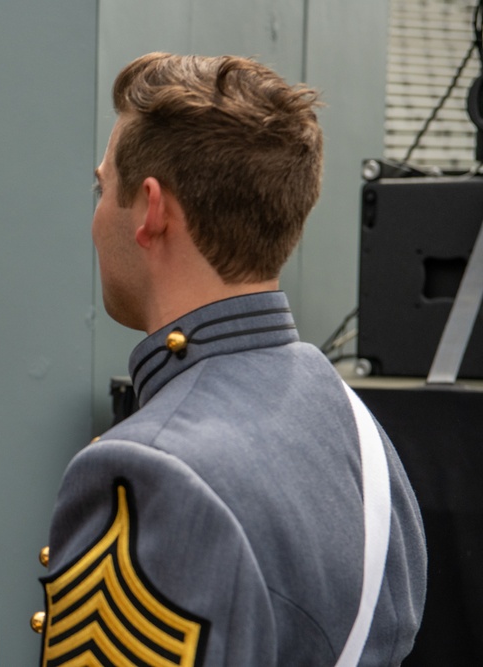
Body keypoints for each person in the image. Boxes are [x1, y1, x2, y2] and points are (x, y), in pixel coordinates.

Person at [35, 53, 426, 665]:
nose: (96, 213)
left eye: (102, 187)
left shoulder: (152, 474)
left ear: (152, 210)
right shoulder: (356, 424)